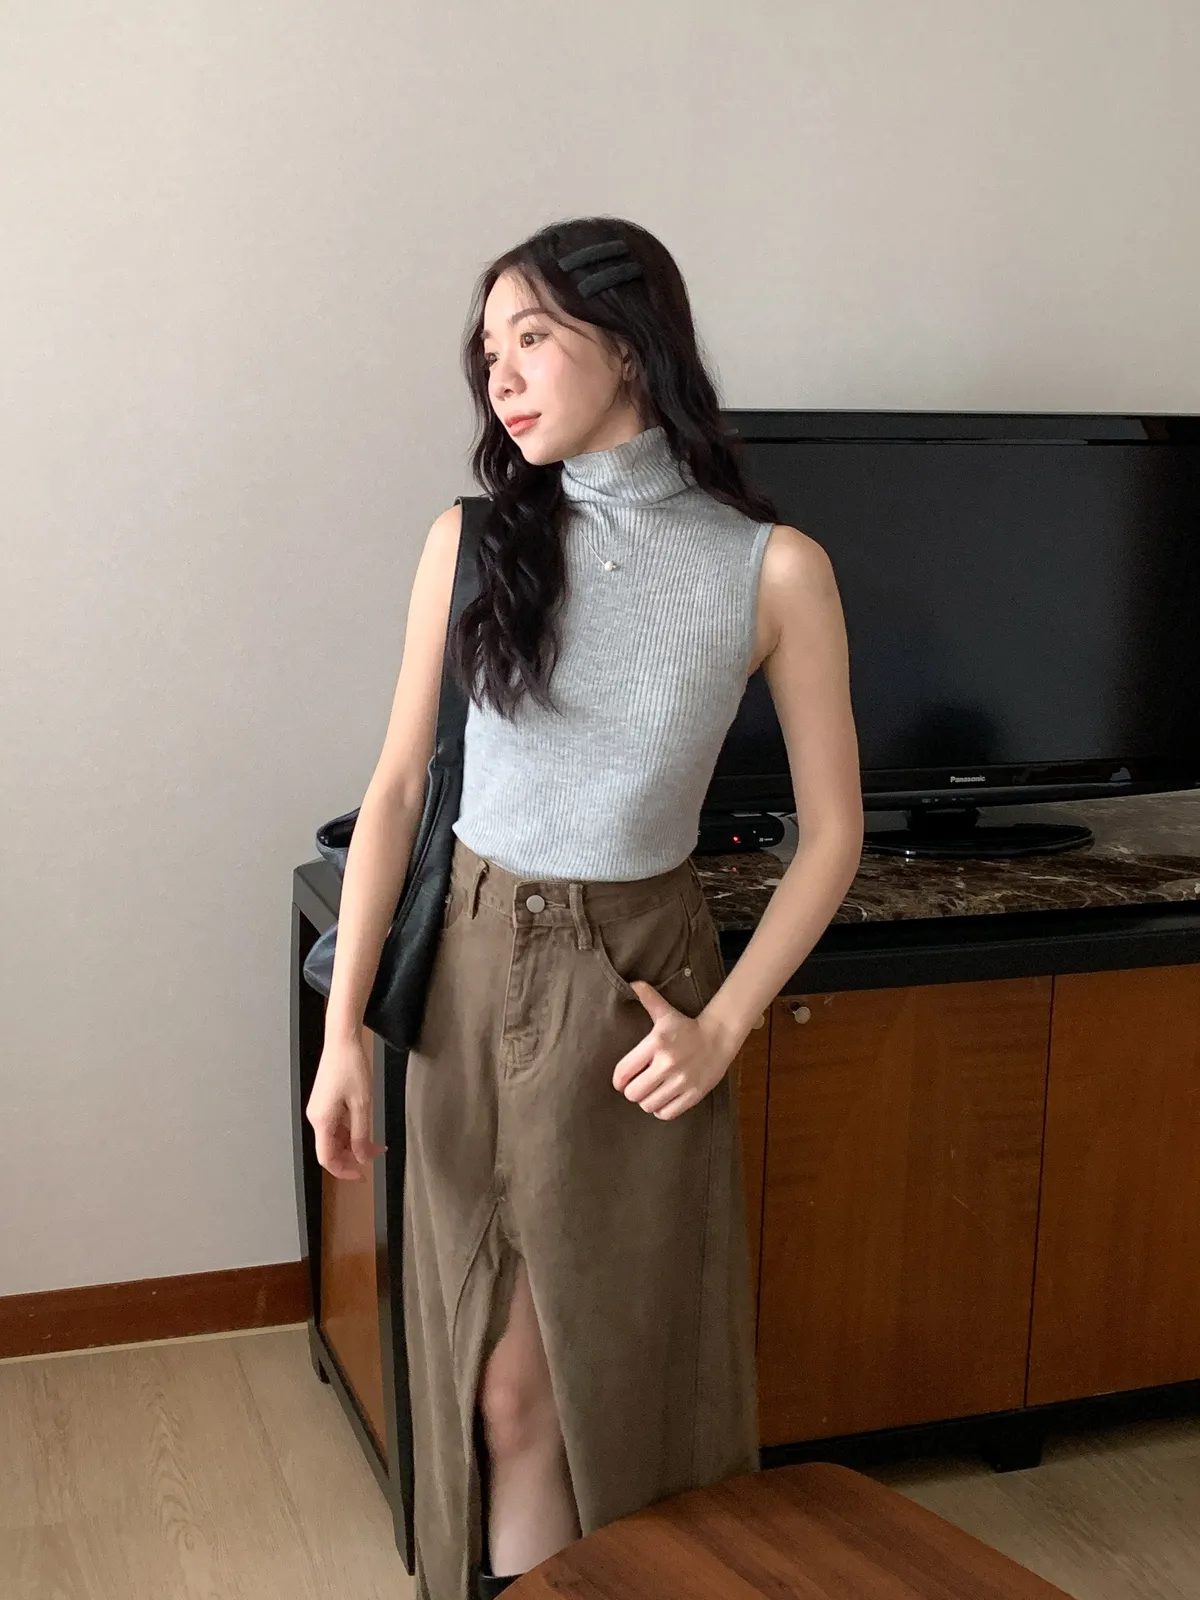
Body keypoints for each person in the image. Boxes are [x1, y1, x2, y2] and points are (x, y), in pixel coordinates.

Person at [305, 216, 864, 1600]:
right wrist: (341, 1035)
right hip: (463, 971)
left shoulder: (773, 569)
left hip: (633, 987)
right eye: (487, 348)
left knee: (587, 1370)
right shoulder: (471, 539)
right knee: (482, 1367)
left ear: (628, 344)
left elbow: (835, 833)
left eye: (533, 337)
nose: (500, 373)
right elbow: (395, 792)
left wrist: (725, 1028)